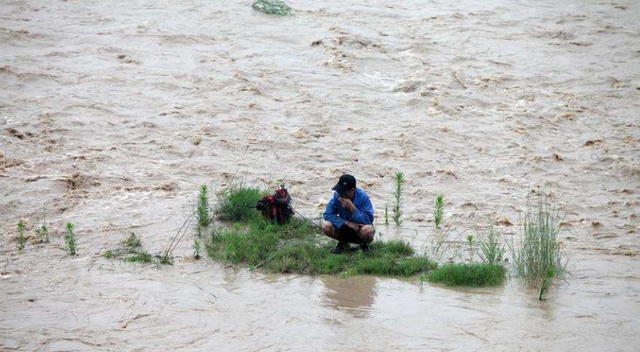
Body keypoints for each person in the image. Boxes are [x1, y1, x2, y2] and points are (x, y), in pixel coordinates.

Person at [322, 174, 375, 254]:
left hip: (359, 230)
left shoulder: (363, 197)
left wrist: (352, 208)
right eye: (340, 191)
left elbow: (368, 220)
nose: (341, 194)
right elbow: (327, 214)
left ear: (352, 190)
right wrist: (346, 222)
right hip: (344, 227)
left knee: (368, 230)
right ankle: (342, 243)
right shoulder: (337, 196)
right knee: (326, 226)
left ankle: (364, 244)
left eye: (343, 192)